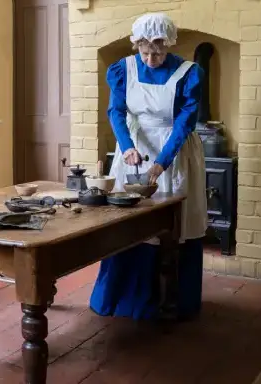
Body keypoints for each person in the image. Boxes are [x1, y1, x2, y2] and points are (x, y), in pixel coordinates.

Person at [89, 13, 208, 321]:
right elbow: (115, 111)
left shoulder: (187, 73)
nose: (151, 58)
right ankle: (123, 297)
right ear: (136, 46)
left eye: (158, 51)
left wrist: (161, 163)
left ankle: (171, 301)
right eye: (145, 52)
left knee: (171, 222)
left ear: (168, 45)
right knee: (128, 220)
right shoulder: (123, 70)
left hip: (175, 149)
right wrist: (127, 147)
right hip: (135, 144)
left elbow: (185, 122)